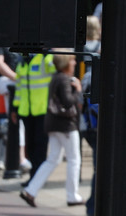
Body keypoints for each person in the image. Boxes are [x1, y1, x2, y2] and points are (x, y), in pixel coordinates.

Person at [19, 52, 83, 208]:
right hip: (66, 126)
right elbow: (68, 102)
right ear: (66, 63)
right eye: (73, 60)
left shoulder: (56, 77)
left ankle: (31, 191)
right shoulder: (64, 80)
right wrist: (77, 90)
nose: (75, 63)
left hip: (53, 124)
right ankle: (72, 195)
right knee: (74, 160)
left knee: (53, 159)